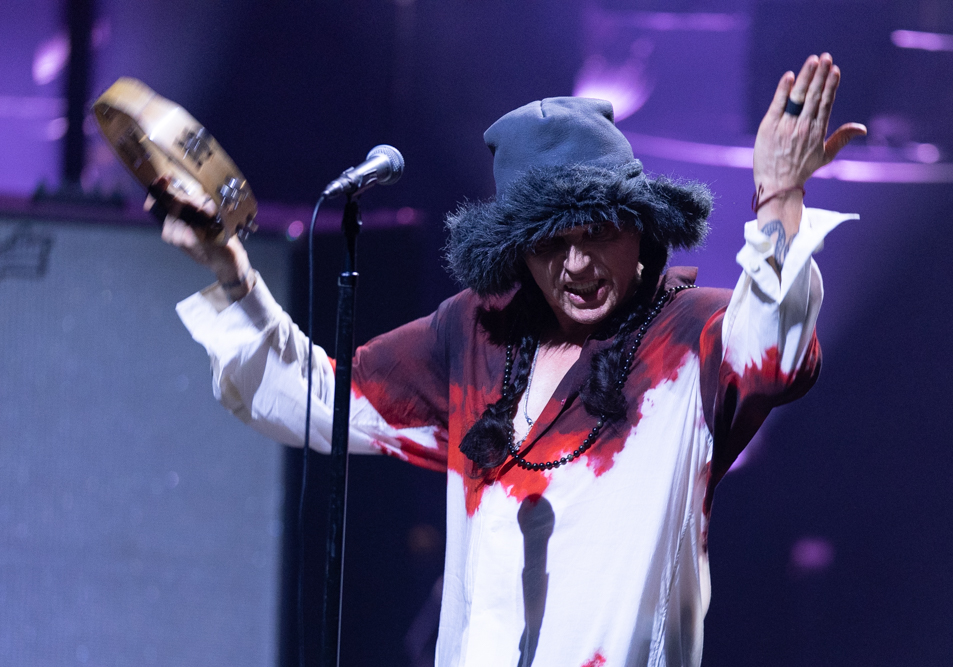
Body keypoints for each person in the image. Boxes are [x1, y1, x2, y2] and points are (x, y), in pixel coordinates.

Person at [161, 53, 865, 666]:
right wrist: (230, 269)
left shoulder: (691, 334)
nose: (577, 264)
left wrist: (780, 197)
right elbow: (317, 400)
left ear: (641, 226)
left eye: (598, 232)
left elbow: (775, 347)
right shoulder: (477, 333)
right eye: (550, 243)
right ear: (517, 251)